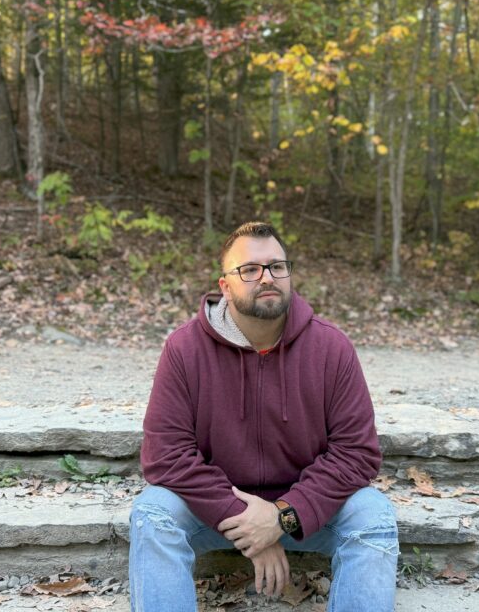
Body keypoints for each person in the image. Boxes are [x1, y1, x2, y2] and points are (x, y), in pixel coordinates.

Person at [129, 221, 398, 611]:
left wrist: (282, 518)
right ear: (225, 285)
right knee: (153, 512)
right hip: (213, 512)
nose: (266, 278)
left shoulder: (331, 348)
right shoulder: (184, 349)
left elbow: (357, 454)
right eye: (250, 270)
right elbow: (165, 456)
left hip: (309, 512)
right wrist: (248, 521)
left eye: (276, 267)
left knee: (373, 513)